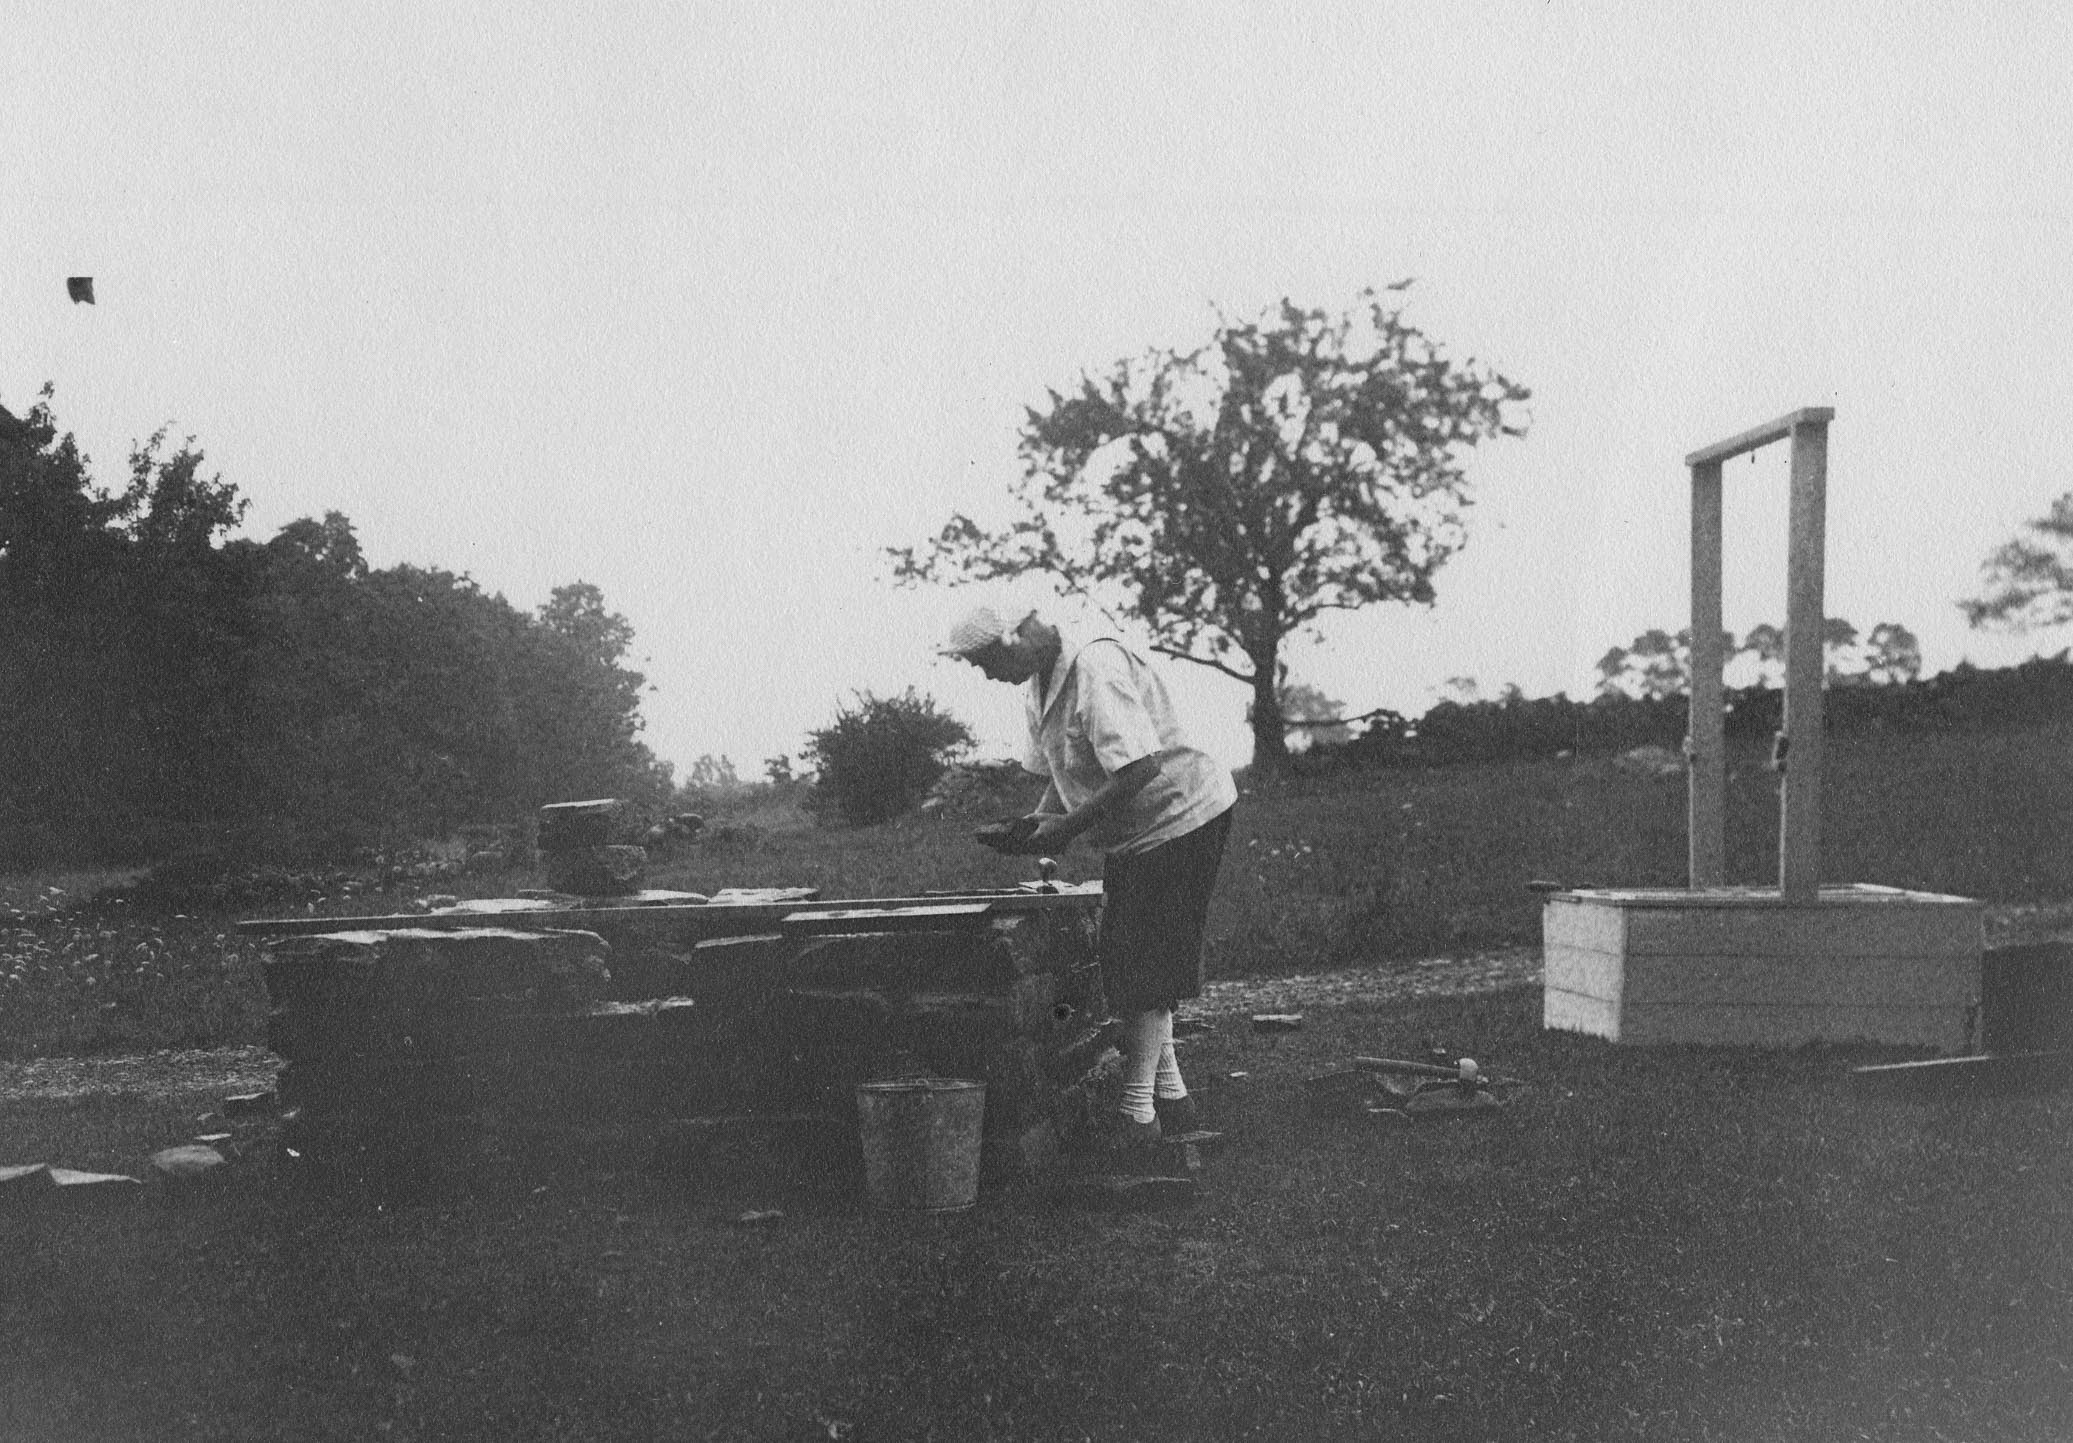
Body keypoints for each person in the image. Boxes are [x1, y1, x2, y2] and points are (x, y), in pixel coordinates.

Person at [939, 604, 1238, 1151]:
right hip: (1138, 830)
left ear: (1016, 638)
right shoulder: (1040, 686)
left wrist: (1066, 830)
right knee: (1132, 957)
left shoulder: (1096, 666)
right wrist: (1036, 821)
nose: (987, 675)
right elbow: (1060, 773)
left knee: (1145, 963)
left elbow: (1141, 768)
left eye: (987, 662)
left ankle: (1138, 1117)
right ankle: (1171, 1101)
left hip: (1183, 815)